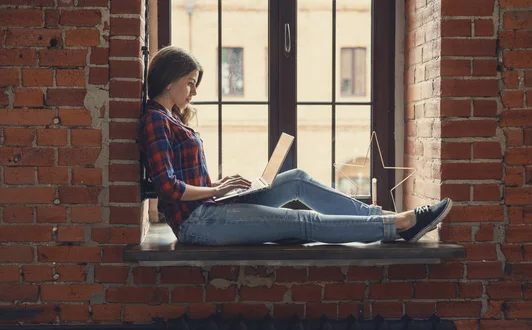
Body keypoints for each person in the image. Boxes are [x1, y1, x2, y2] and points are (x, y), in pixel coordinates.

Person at [139, 46, 452, 246]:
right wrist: (216, 191)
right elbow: (168, 187)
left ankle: (383, 216)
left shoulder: (171, 118)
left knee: (297, 179)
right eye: (190, 82)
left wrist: (220, 186)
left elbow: (185, 180)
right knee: (304, 221)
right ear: (170, 80)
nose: (193, 91)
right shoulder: (156, 120)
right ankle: (398, 225)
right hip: (198, 224)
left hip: (210, 207)